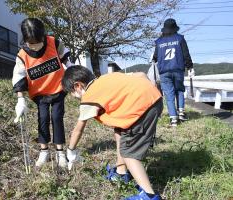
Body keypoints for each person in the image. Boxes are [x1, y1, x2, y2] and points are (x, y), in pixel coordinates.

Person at [62, 65, 163, 200]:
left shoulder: (89, 98)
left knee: (129, 154)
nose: (74, 97)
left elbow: (78, 129)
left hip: (142, 109)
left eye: (71, 93)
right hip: (154, 98)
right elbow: (141, 75)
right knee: (119, 131)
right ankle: (121, 172)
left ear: (78, 86)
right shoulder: (107, 78)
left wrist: (71, 150)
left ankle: (149, 195)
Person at [12, 18, 72, 168]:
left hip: (58, 88)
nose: (35, 46)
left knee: (57, 117)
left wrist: (72, 70)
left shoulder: (54, 43)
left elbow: (66, 59)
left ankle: (60, 153)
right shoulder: (22, 55)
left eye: (38, 41)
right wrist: (21, 100)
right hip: (39, 93)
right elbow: (19, 77)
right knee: (43, 118)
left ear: (43, 36)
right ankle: (44, 151)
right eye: (31, 43)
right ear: (25, 40)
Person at [152, 18, 194, 127]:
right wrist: (190, 66)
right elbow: (186, 54)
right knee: (179, 90)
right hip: (178, 69)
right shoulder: (180, 38)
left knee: (169, 95)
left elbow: (155, 57)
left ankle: (173, 119)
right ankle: (181, 113)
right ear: (175, 28)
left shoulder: (159, 41)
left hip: (164, 71)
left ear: (164, 29)